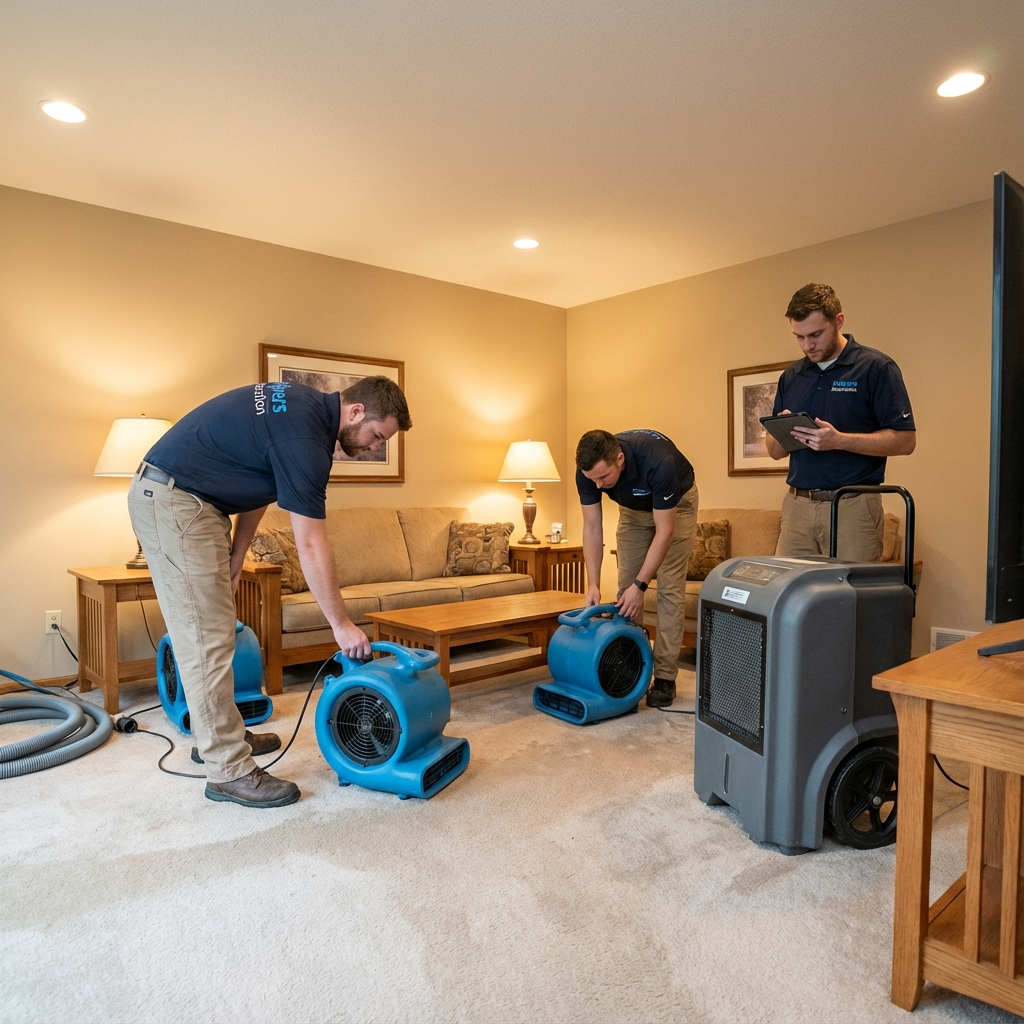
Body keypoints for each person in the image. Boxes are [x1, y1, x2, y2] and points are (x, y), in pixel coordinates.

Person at [128, 376, 412, 807]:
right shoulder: (306, 437)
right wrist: (341, 624)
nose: (375, 446)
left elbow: (257, 481)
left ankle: (220, 737)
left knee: (217, 629)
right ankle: (226, 769)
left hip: (192, 501)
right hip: (176, 501)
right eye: (377, 436)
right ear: (355, 412)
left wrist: (237, 555)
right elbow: (312, 543)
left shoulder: (302, 411)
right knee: (204, 639)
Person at [766, 283, 916, 560]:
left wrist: (839, 440)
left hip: (853, 505)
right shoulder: (792, 376)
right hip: (797, 505)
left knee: (851, 597)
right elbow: (775, 453)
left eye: (815, 334)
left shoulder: (876, 367)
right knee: (789, 598)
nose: (807, 345)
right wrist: (780, 431)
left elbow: (906, 441)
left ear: (839, 321)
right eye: (798, 337)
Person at [576, 429, 699, 708]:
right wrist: (592, 583)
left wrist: (642, 586)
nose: (597, 486)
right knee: (625, 591)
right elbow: (592, 526)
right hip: (632, 511)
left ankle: (665, 678)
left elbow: (665, 532)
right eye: (591, 479)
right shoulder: (589, 472)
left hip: (678, 505)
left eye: (603, 478)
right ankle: (631, 667)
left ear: (620, 459)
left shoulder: (659, 462)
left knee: (668, 589)